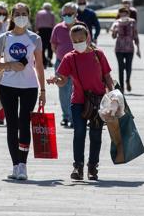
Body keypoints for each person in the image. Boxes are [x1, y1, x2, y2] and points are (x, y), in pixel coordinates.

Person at [47, 24, 114, 181]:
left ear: (88, 37)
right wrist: (55, 80)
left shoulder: (98, 54)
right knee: (79, 133)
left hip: (98, 101)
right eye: (75, 41)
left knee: (96, 134)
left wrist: (112, 95)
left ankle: (92, 167)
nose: (78, 43)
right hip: (78, 101)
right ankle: (78, 166)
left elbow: (107, 76)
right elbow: (63, 80)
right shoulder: (69, 57)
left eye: (81, 39)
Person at [0, 3, 46, 181]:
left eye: (24, 14)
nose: (21, 16)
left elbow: (39, 67)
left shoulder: (35, 38)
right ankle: (15, 165)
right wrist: (9, 65)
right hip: (8, 87)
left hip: (30, 87)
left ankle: (23, 165)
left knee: (24, 125)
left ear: (28, 16)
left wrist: (43, 90)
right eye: (18, 14)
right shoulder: (4, 38)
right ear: (12, 17)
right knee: (12, 126)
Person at [50, 2, 81, 128]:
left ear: (76, 14)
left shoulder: (81, 27)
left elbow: (88, 44)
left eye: (70, 14)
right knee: (63, 91)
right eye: (65, 14)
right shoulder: (58, 28)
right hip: (61, 63)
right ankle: (66, 116)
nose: (67, 16)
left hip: (78, 64)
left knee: (77, 91)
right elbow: (53, 45)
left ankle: (75, 117)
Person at [111, 7, 140, 92]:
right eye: (121, 13)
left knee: (128, 66)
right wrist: (114, 32)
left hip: (129, 48)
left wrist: (138, 48)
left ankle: (127, 80)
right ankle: (122, 87)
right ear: (119, 14)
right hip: (119, 48)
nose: (123, 15)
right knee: (120, 67)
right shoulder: (116, 23)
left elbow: (135, 35)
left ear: (128, 14)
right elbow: (113, 37)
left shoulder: (132, 22)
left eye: (125, 13)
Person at [35, 2, 56, 68]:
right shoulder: (51, 13)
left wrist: (36, 30)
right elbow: (53, 24)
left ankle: (44, 60)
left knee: (42, 46)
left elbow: (36, 23)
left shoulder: (39, 13)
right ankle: (49, 59)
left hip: (41, 31)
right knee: (50, 45)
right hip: (49, 30)